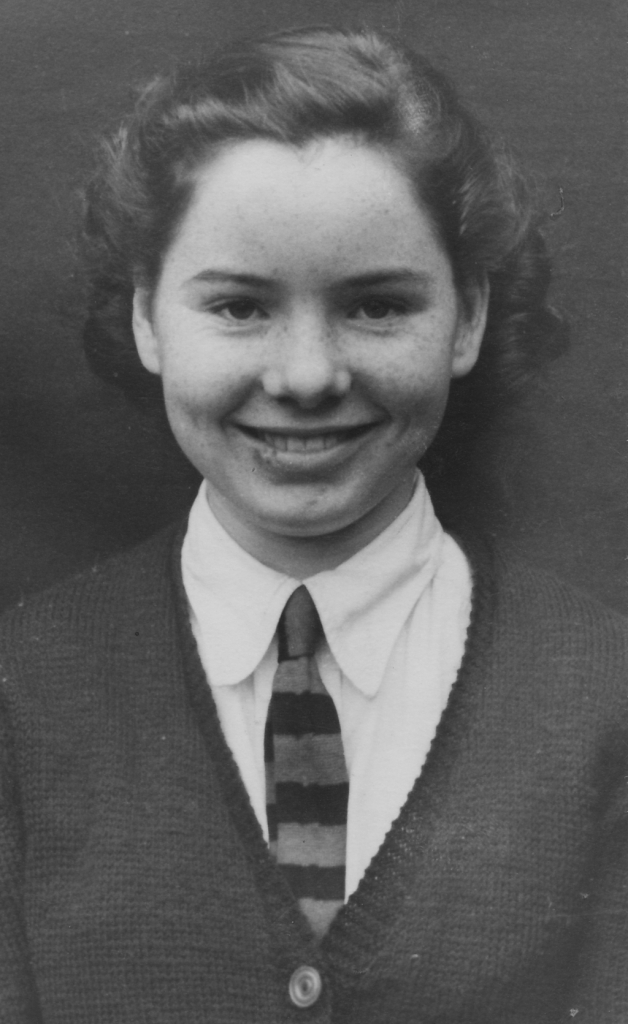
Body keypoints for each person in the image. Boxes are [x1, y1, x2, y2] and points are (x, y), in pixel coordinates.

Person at [0, 25, 626, 1024]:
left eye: (376, 307)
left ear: (466, 317)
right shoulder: (21, 693)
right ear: (148, 319)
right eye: (238, 307)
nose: (305, 375)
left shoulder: (603, 694)